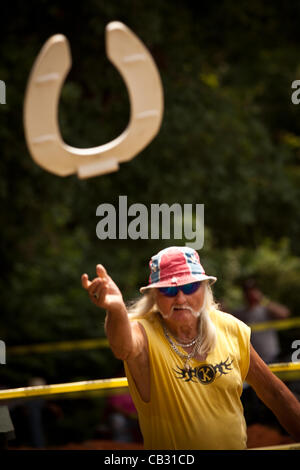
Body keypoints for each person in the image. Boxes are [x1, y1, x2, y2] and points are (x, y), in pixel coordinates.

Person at [81, 246, 300, 450]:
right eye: (168, 290)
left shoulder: (232, 329)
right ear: (155, 295)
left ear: (205, 288)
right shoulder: (144, 332)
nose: (180, 297)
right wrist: (116, 309)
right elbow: (122, 346)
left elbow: (275, 393)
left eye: (189, 286)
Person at [234, 279, 290, 364]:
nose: (250, 293)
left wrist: (262, 300)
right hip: (252, 360)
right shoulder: (240, 313)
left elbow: (284, 314)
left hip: (272, 357)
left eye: (253, 290)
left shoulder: (266, 309)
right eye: (247, 291)